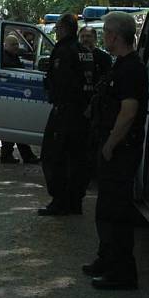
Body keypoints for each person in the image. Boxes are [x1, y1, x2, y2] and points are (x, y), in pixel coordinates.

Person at [83, 11, 148, 290]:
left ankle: (122, 272)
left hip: (121, 151)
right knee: (106, 209)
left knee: (117, 213)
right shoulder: (119, 64)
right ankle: (106, 259)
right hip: (111, 148)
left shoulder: (132, 68)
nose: (104, 37)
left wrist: (110, 145)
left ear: (115, 35)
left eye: (106, 32)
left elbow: (128, 112)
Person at [38, 13, 96, 216]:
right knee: (78, 159)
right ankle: (75, 201)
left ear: (63, 28)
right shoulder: (85, 51)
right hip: (83, 114)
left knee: (54, 156)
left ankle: (60, 201)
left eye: (57, 29)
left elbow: (61, 83)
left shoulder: (63, 51)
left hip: (65, 112)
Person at [0, 35, 39, 164]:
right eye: (13, 44)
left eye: (17, 44)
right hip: (9, 94)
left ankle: (7, 155)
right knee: (15, 124)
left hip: (11, 94)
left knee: (13, 124)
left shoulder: (11, 55)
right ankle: (25, 156)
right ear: (5, 45)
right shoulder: (6, 57)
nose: (16, 47)